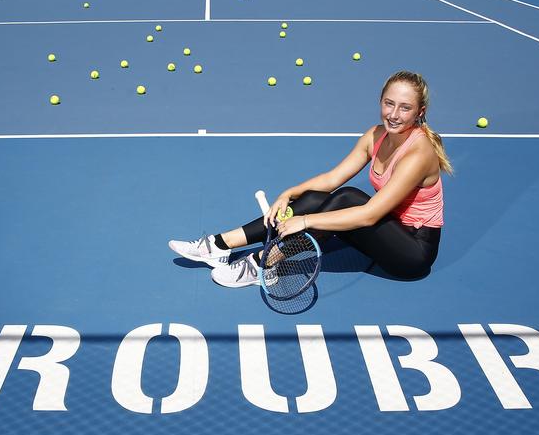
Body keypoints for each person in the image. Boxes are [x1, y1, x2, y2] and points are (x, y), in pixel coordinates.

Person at [169, 70, 453, 287]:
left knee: (348, 198)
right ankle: (220, 245)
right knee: (320, 198)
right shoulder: (375, 135)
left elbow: (369, 215)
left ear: (420, 112)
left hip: (411, 253)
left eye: (405, 108)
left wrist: (305, 221)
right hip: (384, 232)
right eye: (389, 103)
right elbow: (332, 178)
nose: (393, 114)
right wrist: (288, 194)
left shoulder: (418, 154)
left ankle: (262, 265)